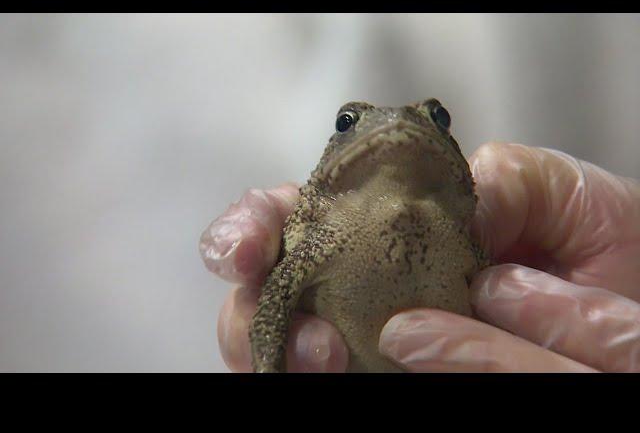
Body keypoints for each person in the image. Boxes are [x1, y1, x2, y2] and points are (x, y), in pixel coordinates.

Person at [199, 142, 640, 372]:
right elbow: (272, 304)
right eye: (350, 121)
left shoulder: (472, 239)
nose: (393, 126)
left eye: (438, 119)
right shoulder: (317, 230)